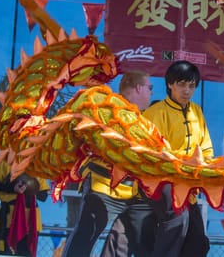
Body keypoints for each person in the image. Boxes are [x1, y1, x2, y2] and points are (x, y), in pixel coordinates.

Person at [62, 71, 155, 257]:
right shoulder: (106, 109)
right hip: (103, 188)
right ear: (138, 87)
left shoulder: (147, 119)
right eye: (149, 87)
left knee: (143, 243)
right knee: (85, 237)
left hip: (136, 195)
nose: (151, 92)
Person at [142, 60, 214, 257]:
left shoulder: (197, 111)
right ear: (170, 84)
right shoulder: (154, 113)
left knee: (198, 243)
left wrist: (205, 167)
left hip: (188, 187)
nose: (187, 90)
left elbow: (206, 147)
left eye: (191, 86)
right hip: (162, 185)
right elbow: (152, 153)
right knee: (174, 231)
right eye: (182, 84)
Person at [0, 161, 49, 256]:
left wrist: (29, 189)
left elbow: (43, 196)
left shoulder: (37, 166)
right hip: (8, 219)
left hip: (31, 222)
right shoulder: (7, 162)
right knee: (5, 253)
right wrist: (12, 188)